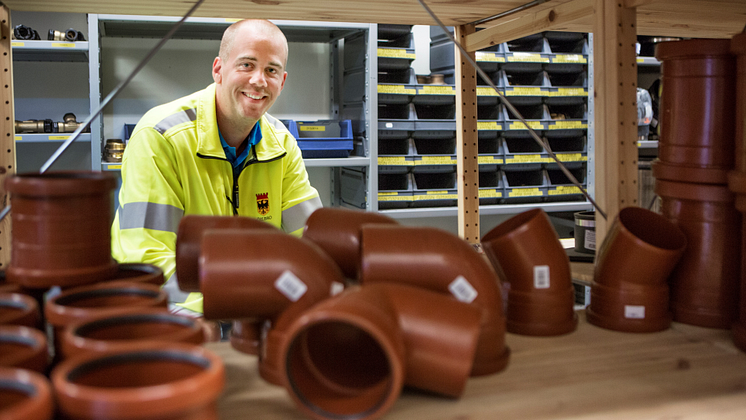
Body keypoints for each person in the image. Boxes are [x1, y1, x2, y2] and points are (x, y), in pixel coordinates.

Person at [111, 19, 322, 318]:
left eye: (271, 70)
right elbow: (149, 261)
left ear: (282, 81)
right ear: (218, 69)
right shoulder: (161, 136)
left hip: (243, 306)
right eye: (247, 65)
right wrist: (233, 301)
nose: (259, 80)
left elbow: (311, 242)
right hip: (163, 309)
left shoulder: (282, 145)